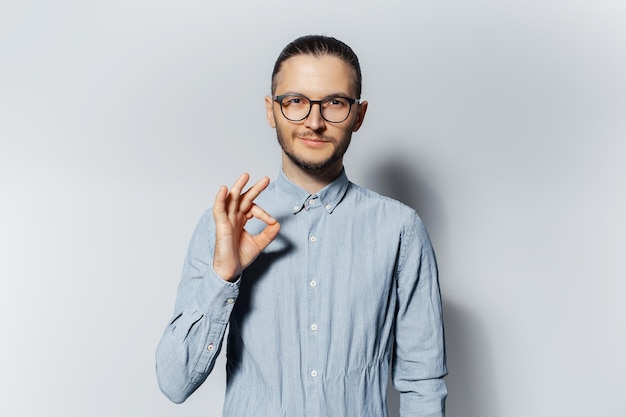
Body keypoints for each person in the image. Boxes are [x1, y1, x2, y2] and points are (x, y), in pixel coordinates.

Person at [156, 34, 447, 417]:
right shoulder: (225, 226)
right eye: (295, 101)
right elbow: (174, 383)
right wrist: (223, 277)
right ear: (270, 110)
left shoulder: (401, 230)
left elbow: (422, 382)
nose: (314, 121)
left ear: (358, 115)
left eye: (335, 103)